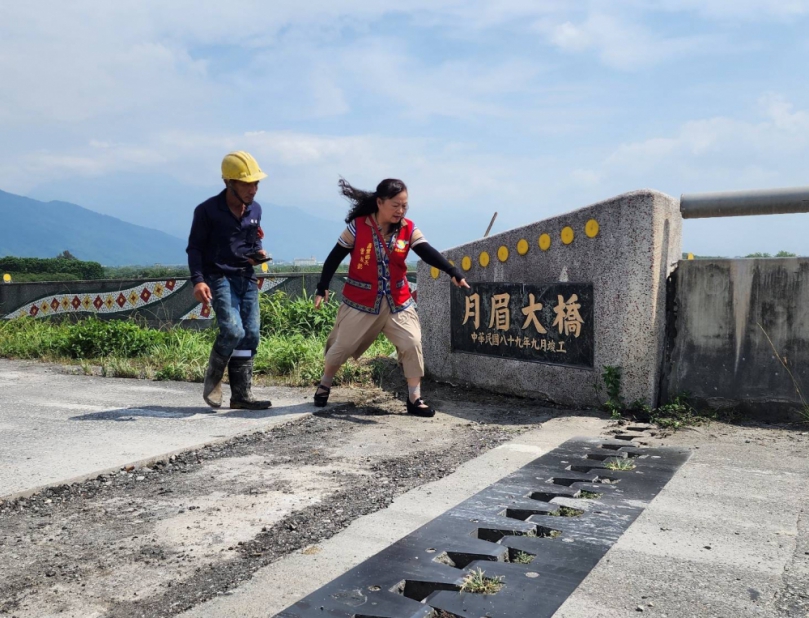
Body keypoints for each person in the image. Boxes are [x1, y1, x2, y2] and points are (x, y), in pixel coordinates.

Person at [313, 178, 470, 417]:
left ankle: (414, 398)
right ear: (380, 202)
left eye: (404, 206)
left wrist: (452, 271)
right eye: (396, 205)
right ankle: (325, 383)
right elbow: (334, 257)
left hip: (398, 301)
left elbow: (426, 251)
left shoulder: (408, 228)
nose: (401, 210)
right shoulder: (358, 227)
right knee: (342, 346)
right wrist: (322, 286)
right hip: (361, 301)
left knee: (412, 342)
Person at [187, 151, 272, 410]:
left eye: (256, 183)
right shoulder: (207, 211)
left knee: (251, 335)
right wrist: (198, 281)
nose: (253, 189)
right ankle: (213, 381)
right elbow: (195, 249)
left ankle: (241, 396)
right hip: (218, 276)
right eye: (247, 183)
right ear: (229, 183)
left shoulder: (255, 209)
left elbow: (253, 240)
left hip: (246, 276)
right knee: (233, 330)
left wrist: (257, 254)